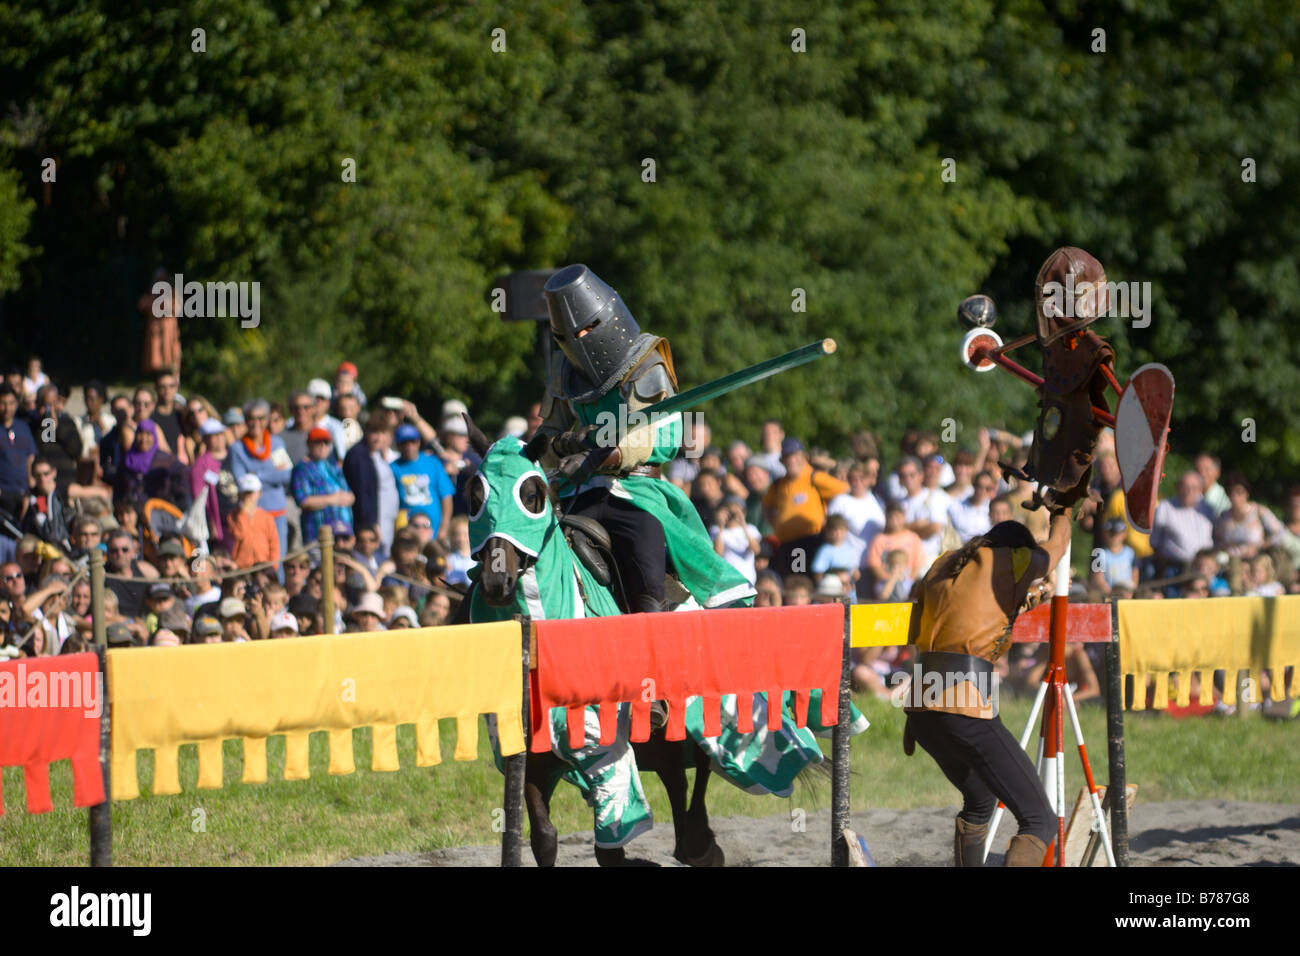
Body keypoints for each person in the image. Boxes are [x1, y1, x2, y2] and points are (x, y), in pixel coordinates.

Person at [533, 264, 755, 612]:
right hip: (577, 490)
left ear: (608, 319)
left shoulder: (645, 365)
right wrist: (560, 446)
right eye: (571, 335)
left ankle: (655, 631)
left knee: (646, 566)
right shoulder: (566, 373)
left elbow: (661, 438)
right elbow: (546, 435)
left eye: (588, 329)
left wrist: (602, 455)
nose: (581, 341)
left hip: (637, 493)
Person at [903, 506, 1073, 866]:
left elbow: (972, 616)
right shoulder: (1011, 561)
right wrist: (1066, 509)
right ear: (1017, 550)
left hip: (920, 705)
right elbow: (1056, 546)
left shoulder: (945, 563)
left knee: (979, 800)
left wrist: (1036, 594)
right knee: (1039, 821)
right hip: (961, 704)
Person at [763, 438, 849, 577]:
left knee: (803, 581)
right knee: (792, 582)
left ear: (804, 457)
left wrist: (829, 519)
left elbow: (844, 490)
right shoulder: (778, 484)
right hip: (787, 544)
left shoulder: (814, 477)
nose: (791, 461)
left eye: (795, 456)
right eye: (787, 457)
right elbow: (767, 505)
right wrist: (774, 523)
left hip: (809, 541)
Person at [228, 398, 294, 558]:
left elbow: (287, 475)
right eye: (252, 418)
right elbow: (242, 482)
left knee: (277, 558)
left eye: (261, 418)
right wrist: (272, 475)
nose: (256, 422)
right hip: (253, 513)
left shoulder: (277, 443)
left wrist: (257, 476)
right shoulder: (238, 448)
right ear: (245, 420)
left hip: (277, 512)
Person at [390, 423, 454, 545]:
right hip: (407, 530)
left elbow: (446, 496)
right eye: (404, 442)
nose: (409, 445)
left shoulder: (433, 462)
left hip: (433, 530)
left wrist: (444, 528)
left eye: (412, 441)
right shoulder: (393, 467)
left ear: (418, 442)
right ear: (398, 445)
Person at [292, 427, 354, 544]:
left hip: (342, 535)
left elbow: (349, 495)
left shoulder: (332, 466)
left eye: (326, 443)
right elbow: (303, 501)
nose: (322, 446)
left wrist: (347, 498)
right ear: (309, 445)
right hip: (318, 535)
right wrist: (332, 499)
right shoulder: (302, 469)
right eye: (318, 442)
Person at [114, 419, 191, 512]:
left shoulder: (166, 460)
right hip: (132, 514)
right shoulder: (127, 460)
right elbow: (118, 490)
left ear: (154, 436)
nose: (143, 438)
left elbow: (183, 474)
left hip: (160, 514)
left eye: (148, 434)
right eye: (140, 433)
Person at [191, 418, 239, 549]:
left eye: (220, 434)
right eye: (214, 436)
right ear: (206, 439)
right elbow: (199, 497)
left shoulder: (235, 455)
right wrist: (211, 522)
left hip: (239, 515)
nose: (218, 438)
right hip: (220, 519)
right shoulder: (201, 464)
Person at [226, 474, 281, 570]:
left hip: (263, 567)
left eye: (251, 493)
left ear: (260, 493)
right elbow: (238, 535)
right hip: (241, 568)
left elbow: (274, 544)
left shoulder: (266, 517)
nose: (248, 497)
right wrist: (242, 514)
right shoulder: (233, 516)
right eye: (245, 493)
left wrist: (273, 566)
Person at [0, 383, 37, 520]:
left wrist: (30, 480)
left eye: (11, 403)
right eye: (2, 403)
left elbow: (30, 456)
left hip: (23, 492)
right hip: (3, 492)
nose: (6, 408)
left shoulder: (24, 427)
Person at [710, 496, 761, 585]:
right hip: (726, 580)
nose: (732, 515)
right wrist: (721, 526)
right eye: (729, 512)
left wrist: (743, 524)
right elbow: (717, 553)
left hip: (747, 579)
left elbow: (756, 550)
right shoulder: (716, 530)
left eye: (736, 512)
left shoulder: (751, 529)